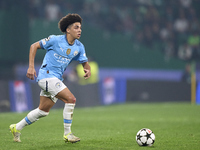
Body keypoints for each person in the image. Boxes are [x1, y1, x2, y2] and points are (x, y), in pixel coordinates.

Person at [9, 13, 91, 143]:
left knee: (43, 111)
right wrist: (31, 67)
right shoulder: (55, 40)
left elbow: (84, 62)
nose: (79, 30)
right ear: (68, 30)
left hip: (56, 79)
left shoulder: (79, 47)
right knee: (71, 99)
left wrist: (88, 69)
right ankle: (67, 134)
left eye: (80, 27)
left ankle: (16, 127)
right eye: (76, 27)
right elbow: (33, 46)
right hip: (46, 76)